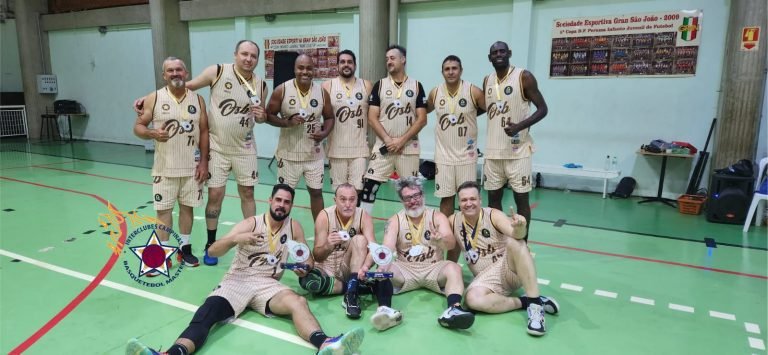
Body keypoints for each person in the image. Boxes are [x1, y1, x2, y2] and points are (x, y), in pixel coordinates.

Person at [125, 184, 364, 355]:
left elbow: (309, 259)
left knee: (298, 302)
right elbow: (212, 251)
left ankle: (326, 345)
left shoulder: (294, 227)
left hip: (269, 285)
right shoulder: (251, 223)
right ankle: (172, 353)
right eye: (278, 200)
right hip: (238, 280)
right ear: (270, 201)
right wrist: (236, 238)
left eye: (287, 202)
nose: (282, 205)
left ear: (291, 205)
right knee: (207, 315)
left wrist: (305, 267)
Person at [135, 40, 268, 266]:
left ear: (257, 59)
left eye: (253, 56)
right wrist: (147, 100)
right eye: (244, 54)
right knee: (215, 196)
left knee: (248, 193)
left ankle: (251, 241)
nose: (248, 58)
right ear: (235, 54)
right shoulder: (217, 71)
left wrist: (262, 116)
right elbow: (183, 86)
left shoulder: (261, 85)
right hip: (217, 147)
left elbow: (260, 116)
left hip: (245, 148)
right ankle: (210, 244)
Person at [450, 181, 560, 336]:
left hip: (508, 269)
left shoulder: (493, 215)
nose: (469, 203)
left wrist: (519, 227)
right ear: (458, 202)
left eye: (473, 199)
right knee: (472, 299)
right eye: (464, 200)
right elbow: (447, 244)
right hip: (486, 280)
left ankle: (535, 309)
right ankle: (525, 302)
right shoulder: (454, 221)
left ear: (480, 200)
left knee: (516, 242)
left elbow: (516, 234)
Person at [133, 56, 209, 272]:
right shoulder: (154, 98)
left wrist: (204, 161)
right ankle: (162, 251)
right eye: (170, 70)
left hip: (191, 168)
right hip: (164, 169)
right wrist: (151, 133)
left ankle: (185, 249)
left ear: (186, 73)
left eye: (179, 70)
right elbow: (138, 126)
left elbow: (204, 131)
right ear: (164, 75)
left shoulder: (198, 99)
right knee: (163, 212)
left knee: (187, 209)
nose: (175, 74)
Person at [376, 176, 475, 329]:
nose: (413, 201)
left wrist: (440, 241)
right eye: (408, 198)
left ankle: (453, 309)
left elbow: (450, 243)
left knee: (454, 268)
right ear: (402, 200)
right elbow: (387, 247)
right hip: (405, 269)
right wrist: (383, 265)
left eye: (416, 196)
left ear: (422, 195)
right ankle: (385, 310)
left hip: (434, 267)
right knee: (382, 270)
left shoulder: (437, 216)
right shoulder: (394, 220)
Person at [302, 183, 402, 330]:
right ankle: (362, 287)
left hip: (351, 266)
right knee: (309, 282)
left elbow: (374, 249)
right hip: (327, 268)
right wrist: (328, 245)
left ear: (357, 200)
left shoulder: (363, 215)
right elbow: (317, 256)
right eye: (343, 199)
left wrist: (366, 267)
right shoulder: (324, 216)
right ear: (335, 199)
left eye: (352, 199)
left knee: (360, 240)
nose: (348, 204)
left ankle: (351, 295)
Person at [482, 41, 548, 241]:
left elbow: (543, 109)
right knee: (493, 202)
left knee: (522, 202)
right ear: (489, 57)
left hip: (518, 152)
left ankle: (522, 244)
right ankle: (500, 243)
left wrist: (519, 126)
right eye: (494, 52)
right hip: (493, 153)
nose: (499, 54)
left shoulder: (523, 77)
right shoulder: (487, 80)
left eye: (502, 51)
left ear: (509, 53)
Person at [426, 55, 485, 262]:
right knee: (446, 199)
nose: (450, 71)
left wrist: (468, 116)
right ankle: (446, 238)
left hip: (466, 156)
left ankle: (473, 241)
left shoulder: (473, 91)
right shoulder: (435, 92)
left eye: (454, 68)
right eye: (447, 69)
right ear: (442, 72)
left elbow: (487, 107)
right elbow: (423, 110)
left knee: (468, 202)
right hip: (443, 155)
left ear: (461, 70)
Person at [360, 45, 428, 214]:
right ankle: (363, 225)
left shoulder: (417, 86)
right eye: (387, 59)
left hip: (408, 148)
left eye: (392, 58)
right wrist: (389, 140)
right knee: (369, 186)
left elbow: (422, 119)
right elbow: (372, 117)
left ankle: (416, 227)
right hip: (384, 147)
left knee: (413, 191)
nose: (389, 61)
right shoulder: (380, 85)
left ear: (403, 59)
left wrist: (401, 140)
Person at [266, 54, 334, 221]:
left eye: (309, 68)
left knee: (317, 193)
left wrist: (324, 133)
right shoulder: (282, 90)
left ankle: (320, 231)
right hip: (288, 155)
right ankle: (278, 229)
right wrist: (286, 122)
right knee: (283, 196)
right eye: (301, 68)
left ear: (314, 70)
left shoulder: (322, 92)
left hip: (313, 155)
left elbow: (330, 117)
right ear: (295, 69)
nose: (305, 71)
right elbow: (268, 115)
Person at [321, 50, 372, 197]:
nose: (346, 65)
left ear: (355, 65)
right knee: (339, 193)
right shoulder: (327, 86)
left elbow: (375, 114)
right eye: (342, 62)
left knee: (357, 191)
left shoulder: (366, 85)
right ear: (337, 65)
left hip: (360, 149)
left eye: (349, 62)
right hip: (336, 149)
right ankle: (339, 220)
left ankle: (356, 220)